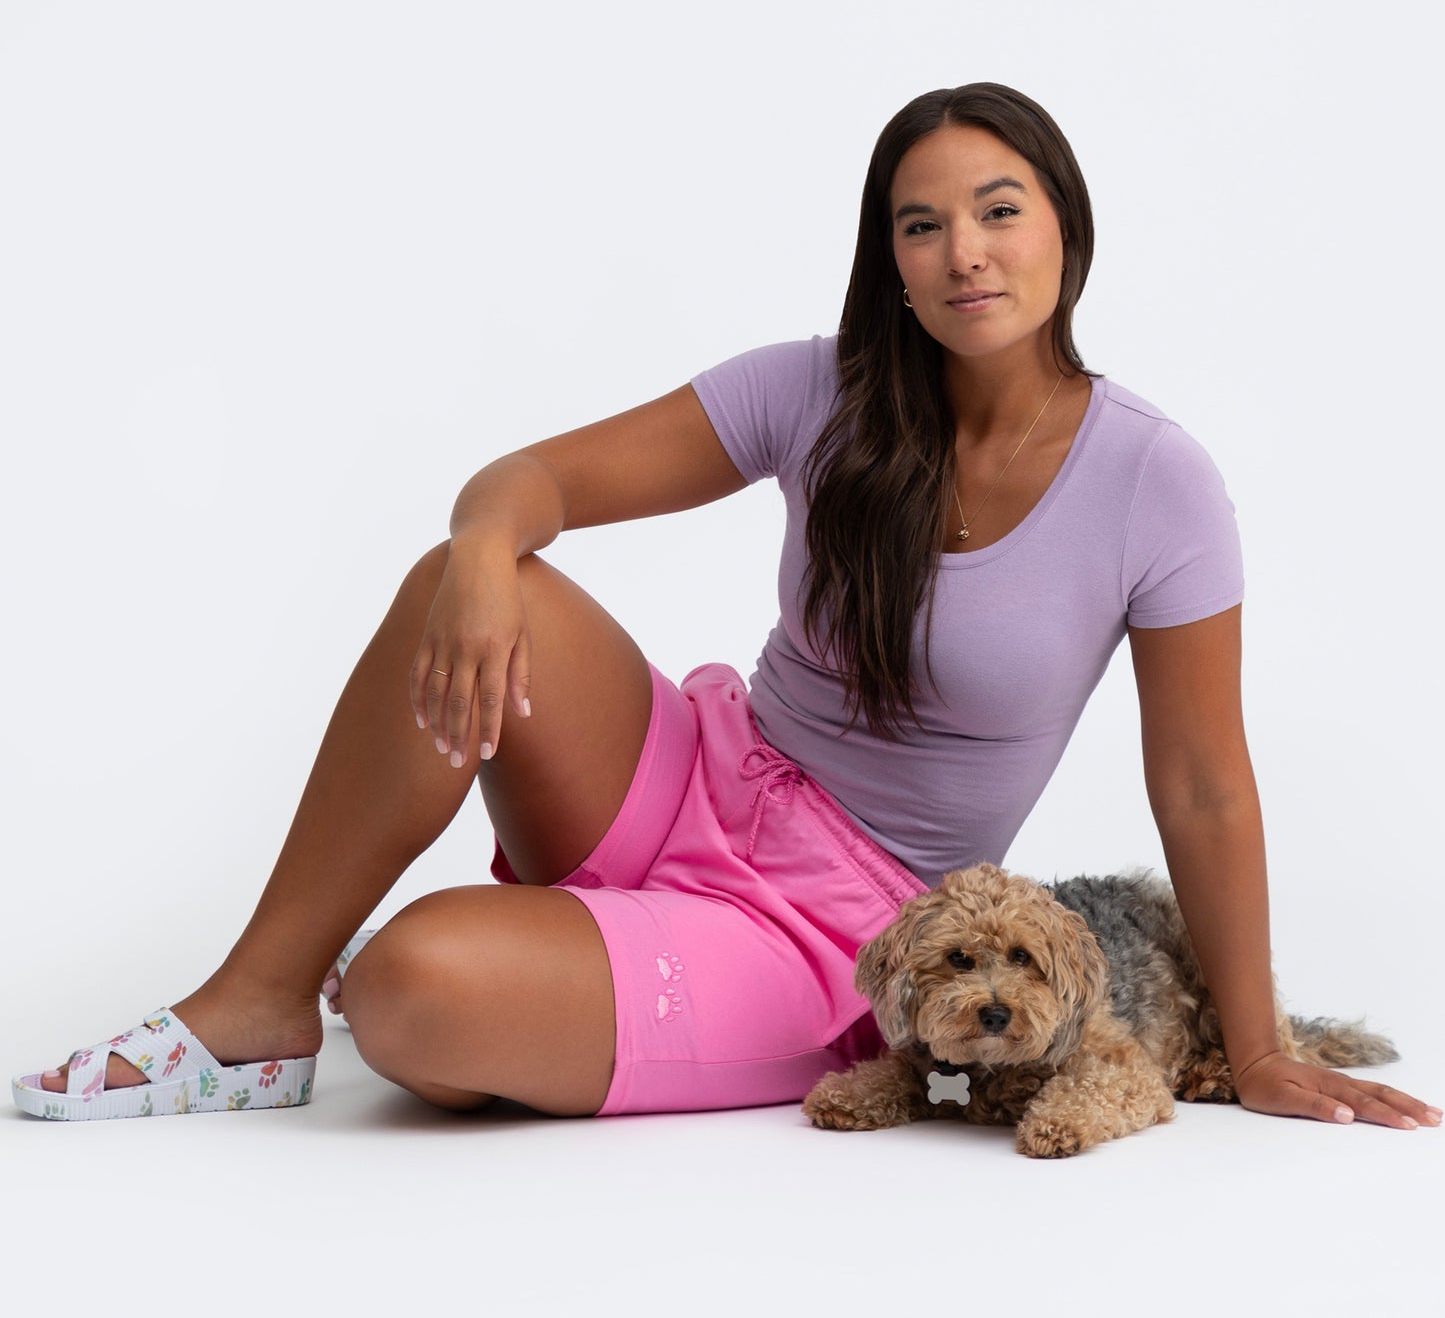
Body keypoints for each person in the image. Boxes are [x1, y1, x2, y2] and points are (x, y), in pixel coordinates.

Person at [16, 83, 1437, 1129]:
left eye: (1000, 211)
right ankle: (259, 1001)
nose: (965, 252)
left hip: (839, 926)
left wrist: (1256, 1047)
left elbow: (1201, 782)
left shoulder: (1154, 482)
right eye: (923, 225)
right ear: (891, 259)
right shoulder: (819, 389)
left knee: (407, 996)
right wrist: (478, 544)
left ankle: (561, 978)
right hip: (698, 777)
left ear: (1065, 223)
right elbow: (529, 482)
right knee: (471, 578)